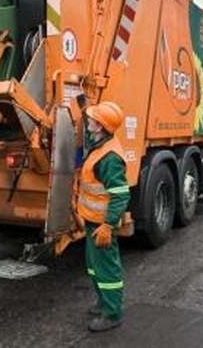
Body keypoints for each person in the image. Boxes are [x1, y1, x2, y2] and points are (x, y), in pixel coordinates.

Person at [76, 101, 130, 332]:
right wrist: (82, 103)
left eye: (92, 118)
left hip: (102, 224)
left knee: (107, 268)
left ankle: (112, 313)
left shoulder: (109, 158)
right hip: (92, 220)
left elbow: (120, 194)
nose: (88, 120)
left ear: (100, 126)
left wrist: (108, 225)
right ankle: (103, 302)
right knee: (94, 265)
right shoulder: (100, 143)